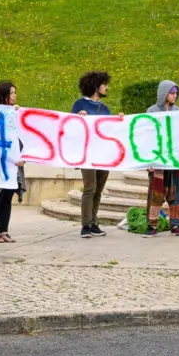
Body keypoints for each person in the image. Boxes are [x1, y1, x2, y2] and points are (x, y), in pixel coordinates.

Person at [72, 70, 115, 238]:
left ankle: (94, 222)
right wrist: (78, 117)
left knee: (98, 190)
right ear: (96, 86)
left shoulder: (105, 109)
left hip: (103, 154)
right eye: (105, 84)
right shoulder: (79, 105)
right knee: (90, 188)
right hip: (87, 153)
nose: (107, 87)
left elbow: (110, 130)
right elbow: (71, 126)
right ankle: (85, 225)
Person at [144, 81, 179, 237]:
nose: (175, 96)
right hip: (158, 160)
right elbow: (147, 137)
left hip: (174, 160)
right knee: (156, 193)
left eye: (176, 93)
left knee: (176, 193)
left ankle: (176, 224)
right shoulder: (152, 112)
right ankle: (152, 224)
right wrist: (149, 161)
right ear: (164, 93)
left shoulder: (178, 111)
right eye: (172, 93)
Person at [0, 81, 26, 243]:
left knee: (8, 197)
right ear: (3, 95)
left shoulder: (15, 113)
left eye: (15, 92)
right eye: (12, 93)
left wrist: (21, 157)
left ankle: (4, 230)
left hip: (14, 164)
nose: (14, 96)